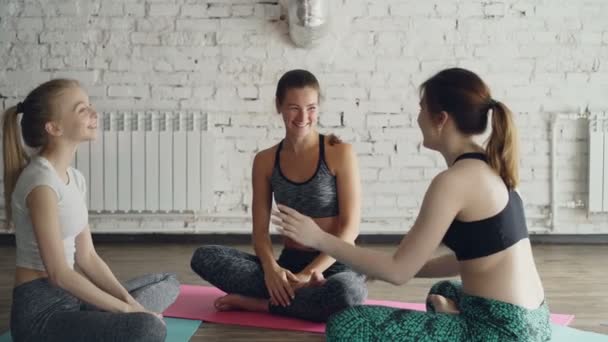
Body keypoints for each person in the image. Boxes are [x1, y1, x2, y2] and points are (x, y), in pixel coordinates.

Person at [273, 68, 551, 341]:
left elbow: (398, 271)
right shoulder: (490, 166)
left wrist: (318, 238)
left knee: (347, 324)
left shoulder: (453, 181)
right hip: (534, 323)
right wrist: (373, 268)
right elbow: (465, 259)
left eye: (422, 108)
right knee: (444, 290)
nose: (418, 117)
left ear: (441, 119)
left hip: (499, 332)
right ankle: (451, 316)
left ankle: (460, 326)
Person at [3, 79, 179, 342]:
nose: (94, 113)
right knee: (149, 329)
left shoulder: (74, 178)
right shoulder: (40, 183)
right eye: (81, 109)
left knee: (169, 282)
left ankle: (108, 317)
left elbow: (87, 257)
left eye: (90, 105)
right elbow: (59, 273)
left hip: (73, 298)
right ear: (54, 127)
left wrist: (132, 304)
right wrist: (129, 312)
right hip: (42, 315)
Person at [190, 69, 367, 322]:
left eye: (312, 108)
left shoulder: (339, 152)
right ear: (278, 106)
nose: (304, 117)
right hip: (288, 266)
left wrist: (309, 274)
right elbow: (260, 234)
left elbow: (350, 231)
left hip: (335, 265)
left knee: (345, 293)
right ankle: (295, 298)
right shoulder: (265, 161)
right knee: (204, 257)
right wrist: (272, 270)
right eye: (294, 107)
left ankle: (262, 305)